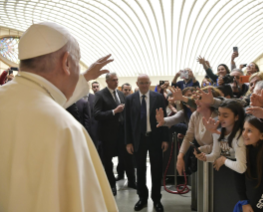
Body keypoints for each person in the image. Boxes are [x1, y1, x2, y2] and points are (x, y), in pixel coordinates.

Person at [0, 22, 118, 212]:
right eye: (77, 62)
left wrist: (85, 76)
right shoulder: (65, 129)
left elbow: (42, 102)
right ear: (66, 63)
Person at [124, 74, 169, 212]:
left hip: (155, 138)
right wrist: (128, 142)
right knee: (140, 170)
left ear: (150, 83)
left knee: (156, 170)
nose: (144, 85)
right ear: (137, 83)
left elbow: (165, 118)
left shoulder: (158, 97)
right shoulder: (130, 99)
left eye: (146, 83)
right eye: (141, 83)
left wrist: (165, 139)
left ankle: (156, 199)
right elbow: (127, 122)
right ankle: (142, 198)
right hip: (138, 139)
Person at [94, 72, 136, 195]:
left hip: (122, 134)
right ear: (107, 81)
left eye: (117, 80)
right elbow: (96, 114)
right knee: (108, 162)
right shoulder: (100, 95)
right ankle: (111, 185)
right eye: (113, 80)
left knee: (127, 158)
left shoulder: (122, 94)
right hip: (108, 135)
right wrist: (113, 111)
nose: (116, 82)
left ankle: (132, 182)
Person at [233, 116, 263, 212]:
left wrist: (254, 209)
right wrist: (243, 201)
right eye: (243, 129)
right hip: (254, 197)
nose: (243, 134)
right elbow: (238, 171)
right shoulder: (244, 148)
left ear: (262, 135)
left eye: (249, 131)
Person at [196, 100, 247, 174]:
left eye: (225, 116)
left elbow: (241, 167)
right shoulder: (217, 132)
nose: (220, 118)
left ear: (236, 117)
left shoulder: (239, 136)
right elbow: (215, 155)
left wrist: (223, 160)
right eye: (219, 114)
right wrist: (205, 157)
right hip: (227, 172)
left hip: (240, 174)